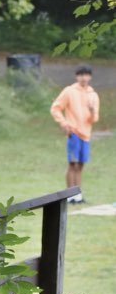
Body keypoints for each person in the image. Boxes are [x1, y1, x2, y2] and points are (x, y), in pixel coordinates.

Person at [50, 64, 100, 204]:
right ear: (76, 76)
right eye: (80, 75)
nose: (83, 78)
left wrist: (92, 111)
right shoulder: (69, 91)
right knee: (73, 164)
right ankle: (69, 195)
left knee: (81, 165)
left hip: (86, 134)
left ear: (90, 77)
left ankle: (77, 195)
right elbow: (55, 108)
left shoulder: (93, 95)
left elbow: (94, 119)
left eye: (86, 75)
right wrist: (64, 123)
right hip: (73, 132)